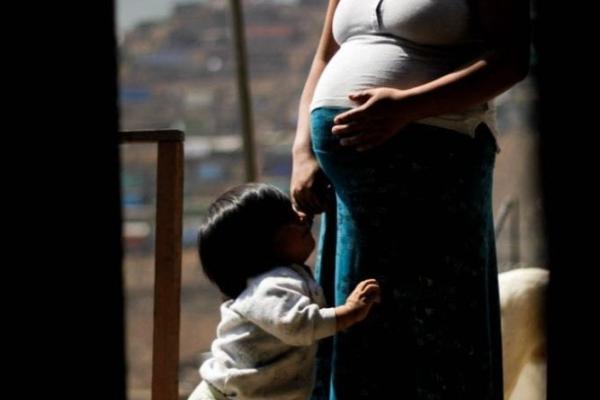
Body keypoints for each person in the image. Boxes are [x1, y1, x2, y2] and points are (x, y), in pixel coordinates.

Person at [291, 0, 530, 399]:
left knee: (435, 333)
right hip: (352, 192)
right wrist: (303, 152)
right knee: (359, 325)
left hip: (436, 174)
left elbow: (511, 60)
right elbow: (323, 60)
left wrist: (408, 107)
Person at [187, 183, 381, 400]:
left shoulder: (280, 279)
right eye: (288, 218)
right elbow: (297, 324)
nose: (301, 217)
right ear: (260, 244)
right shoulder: (268, 286)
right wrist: (348, 313)